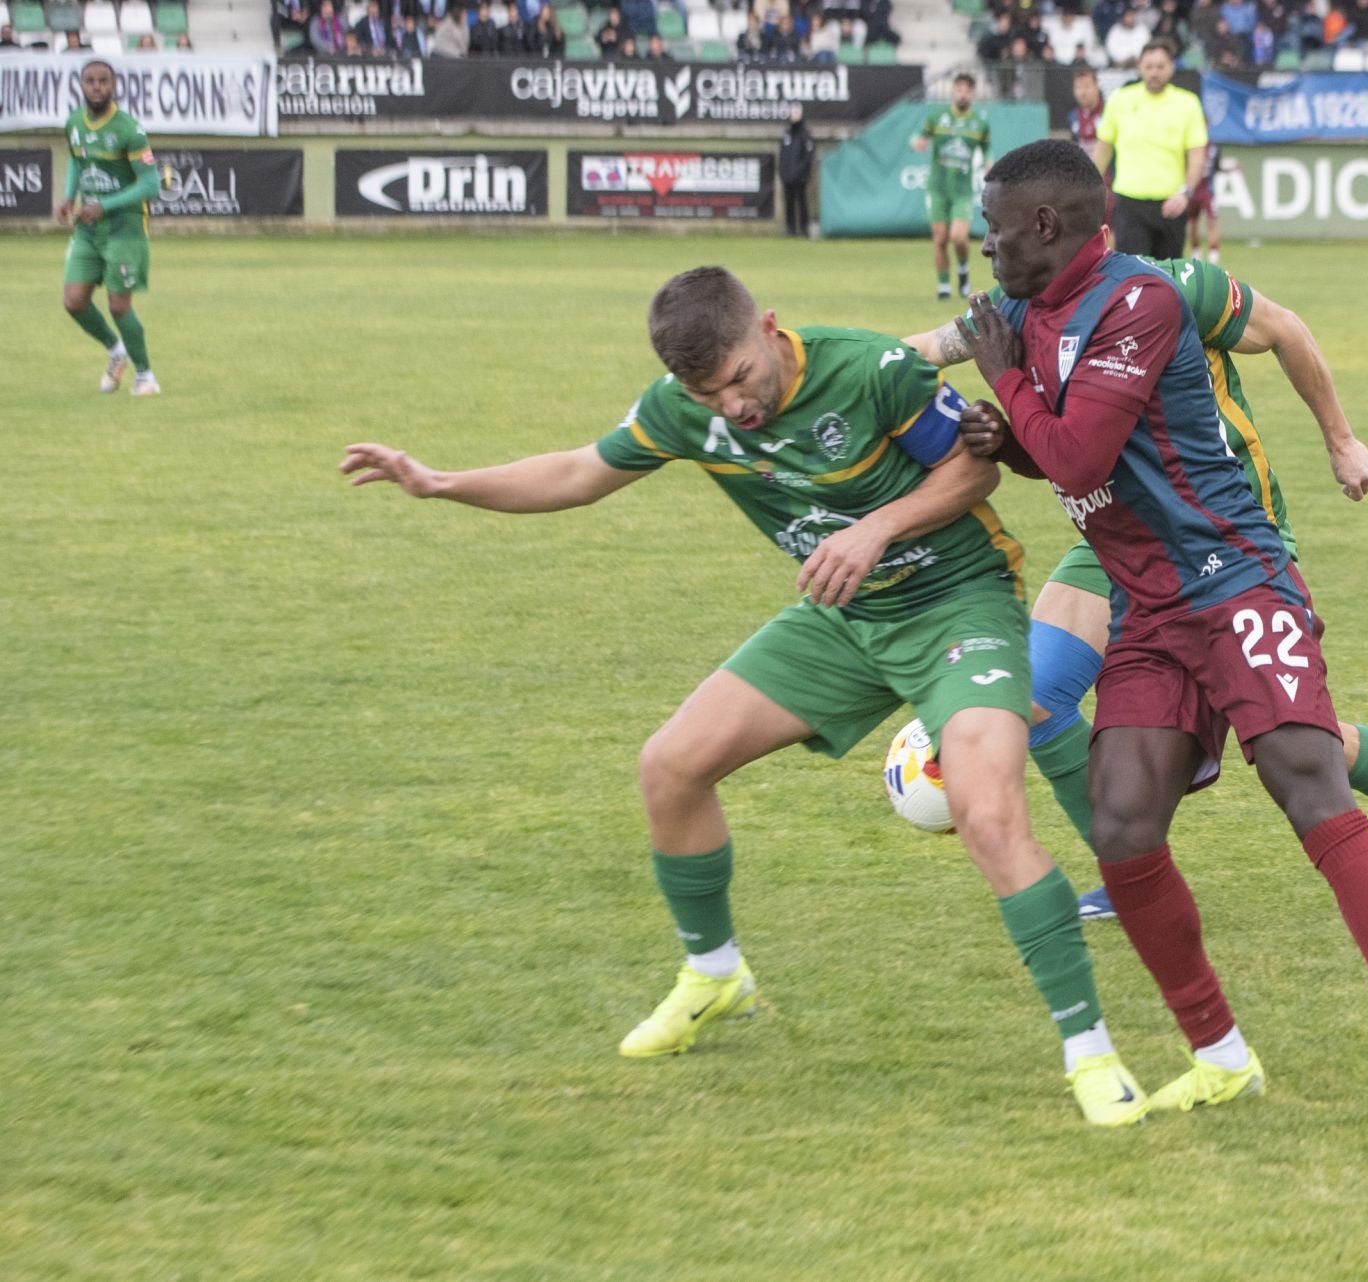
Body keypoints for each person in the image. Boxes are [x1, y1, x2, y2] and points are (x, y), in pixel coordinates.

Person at [339, 267, 1153, 1128]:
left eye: (738, 379)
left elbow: (972, 477)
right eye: (708, 394)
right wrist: (439, 482)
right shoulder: (681, 409)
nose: (732, 406)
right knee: (671, 766)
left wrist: (874, 528)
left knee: (988, 815)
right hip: (842, 618)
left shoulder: (872, 369)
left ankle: (1090, 1052)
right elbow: (579, 472)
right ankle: (715, 973)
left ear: (767, 329)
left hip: (955, 602)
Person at [957, 139, 1368, 1150]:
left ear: (1048, 228)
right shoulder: (1026, 316)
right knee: (1123, 820)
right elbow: (1050, 454)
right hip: (1149, 607)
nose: (986, 244)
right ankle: (1221, 1058)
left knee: (1307, 779)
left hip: (1236, 579)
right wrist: (999, 430)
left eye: (997, 229)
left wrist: (1009, 392)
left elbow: (1081, 449)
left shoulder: (1139, 299)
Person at [906, 249, 1368, 923]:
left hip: (1228, 540)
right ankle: (1129, 873)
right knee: (1035, 694)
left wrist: (1341, 440)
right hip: (1121, 541)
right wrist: (822, 362)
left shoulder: (1177, 288)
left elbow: (1286, 330)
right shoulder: (1023, 305)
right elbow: (928, 348)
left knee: (1298, 741)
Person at [58, 60, 161, 397]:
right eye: (90, 81)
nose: (97, 87)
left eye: (103, 81)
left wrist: (104, 205)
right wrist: (68, 196)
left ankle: (145, 376)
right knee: (74, 301)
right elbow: (77, 158)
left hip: (124, 227)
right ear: (81, 85)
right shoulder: (74, 123)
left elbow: (150, 185)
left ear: (113, 85)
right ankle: (116, 352)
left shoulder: (129, 129)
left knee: (119, 305)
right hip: (88, 228)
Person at [1092, 40, 1207, 259]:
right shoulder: (1120, 100)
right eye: (1149, 66)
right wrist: (1088, 190)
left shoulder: (1188, 103)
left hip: (1172, 204)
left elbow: (1197, 156)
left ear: (1171, 67)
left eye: (1160, 66)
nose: (1154, 72)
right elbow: (1102, 151)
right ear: (1140, 67)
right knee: (1134, 279)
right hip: (1129, 204)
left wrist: (1185, 193)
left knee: (1168, 280)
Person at [910, 73, 989, 302]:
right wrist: (916, 142)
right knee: (940, 238)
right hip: (938, 188)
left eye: (967, 90)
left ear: (973, 94)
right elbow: (917, 136)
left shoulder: (979, 123)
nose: (962, 94)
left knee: (959, 237)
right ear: (953, 92)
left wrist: (989, 161)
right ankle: (944, 285)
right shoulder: (938, 117)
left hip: (962, 191)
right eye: (958, 89)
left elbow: (987, 149)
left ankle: (963, 270)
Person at [778, 105, 815, 237]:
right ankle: (790, 230)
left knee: (802, 202)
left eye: (796, 113)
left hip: (801, 177)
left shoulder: (805, 135)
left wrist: (799, 172)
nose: (793, 116)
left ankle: (804, 229)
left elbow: (808, 156)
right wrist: (783, 172)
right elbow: (782, 156)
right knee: (789, 203)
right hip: (787, 177)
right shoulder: (787, 135)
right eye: (792, 113)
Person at [1186, 143, 1223, 264]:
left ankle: (1214, 256)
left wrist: (1229, 170)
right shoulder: (1189, 145)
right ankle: (1196, 254)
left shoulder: (1214, 147)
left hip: (1208, 191)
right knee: (1192, 223)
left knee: (1212, 222)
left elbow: (1217, 167)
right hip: (1192, 190)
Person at [1066, 69, 1105, 167]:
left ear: (1097, 87)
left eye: (1087, 86)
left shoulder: (1108, 113)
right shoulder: (1072, 117)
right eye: (1078, 88)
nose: (1082, 92)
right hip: (1085, 178)